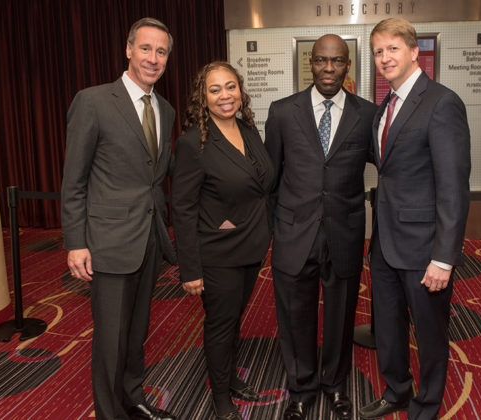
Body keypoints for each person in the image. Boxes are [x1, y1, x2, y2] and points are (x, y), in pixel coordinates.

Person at [61, 18, 177, 420]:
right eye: (146, 48)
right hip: (107, 244)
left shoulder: (165, 108)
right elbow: (73, 180)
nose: (153, 58)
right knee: (109, 340)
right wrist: (76, 242)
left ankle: (134, 398)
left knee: (136, 333)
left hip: (148, 240)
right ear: (128, 50)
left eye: (161, 52)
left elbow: (152, 177)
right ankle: (109, 413)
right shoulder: (93, 101)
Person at [358, 18, 471, 420]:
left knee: (429, 334)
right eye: (378, 51)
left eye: (392, 48)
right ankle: (396, 392)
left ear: (413, 51)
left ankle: (426, 406)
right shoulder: (385, 106)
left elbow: (454, 188)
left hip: (425, 249)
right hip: (385, 243)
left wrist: (444, 257)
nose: (384, 58)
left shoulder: (441, 102)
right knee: (387, 329)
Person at [265, 34, 377, 420]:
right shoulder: (282, 112)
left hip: (344, 234)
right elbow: (271, 178)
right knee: (295, 317)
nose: (329, 69)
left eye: (337, 61)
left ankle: (334, 385)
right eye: (321, 61)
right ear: (310, 62)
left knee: (341, 316)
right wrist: (274, 230)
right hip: (294, 234)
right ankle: (301, 387)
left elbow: (390, 166)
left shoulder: (367, 114)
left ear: (348, 65)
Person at [171, 61, 274, 420]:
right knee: (220, 323)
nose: (224, 96)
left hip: (252, 245)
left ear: (240, 91)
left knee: (233, 319)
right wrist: (190, 270)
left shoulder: (249, 130)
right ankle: (220, 397)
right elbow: (182, 208)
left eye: (230, 87)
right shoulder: (192, 143)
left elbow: (260, 186)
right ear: (203, 97)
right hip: (216, 253)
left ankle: (229, 378)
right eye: (214, 90)